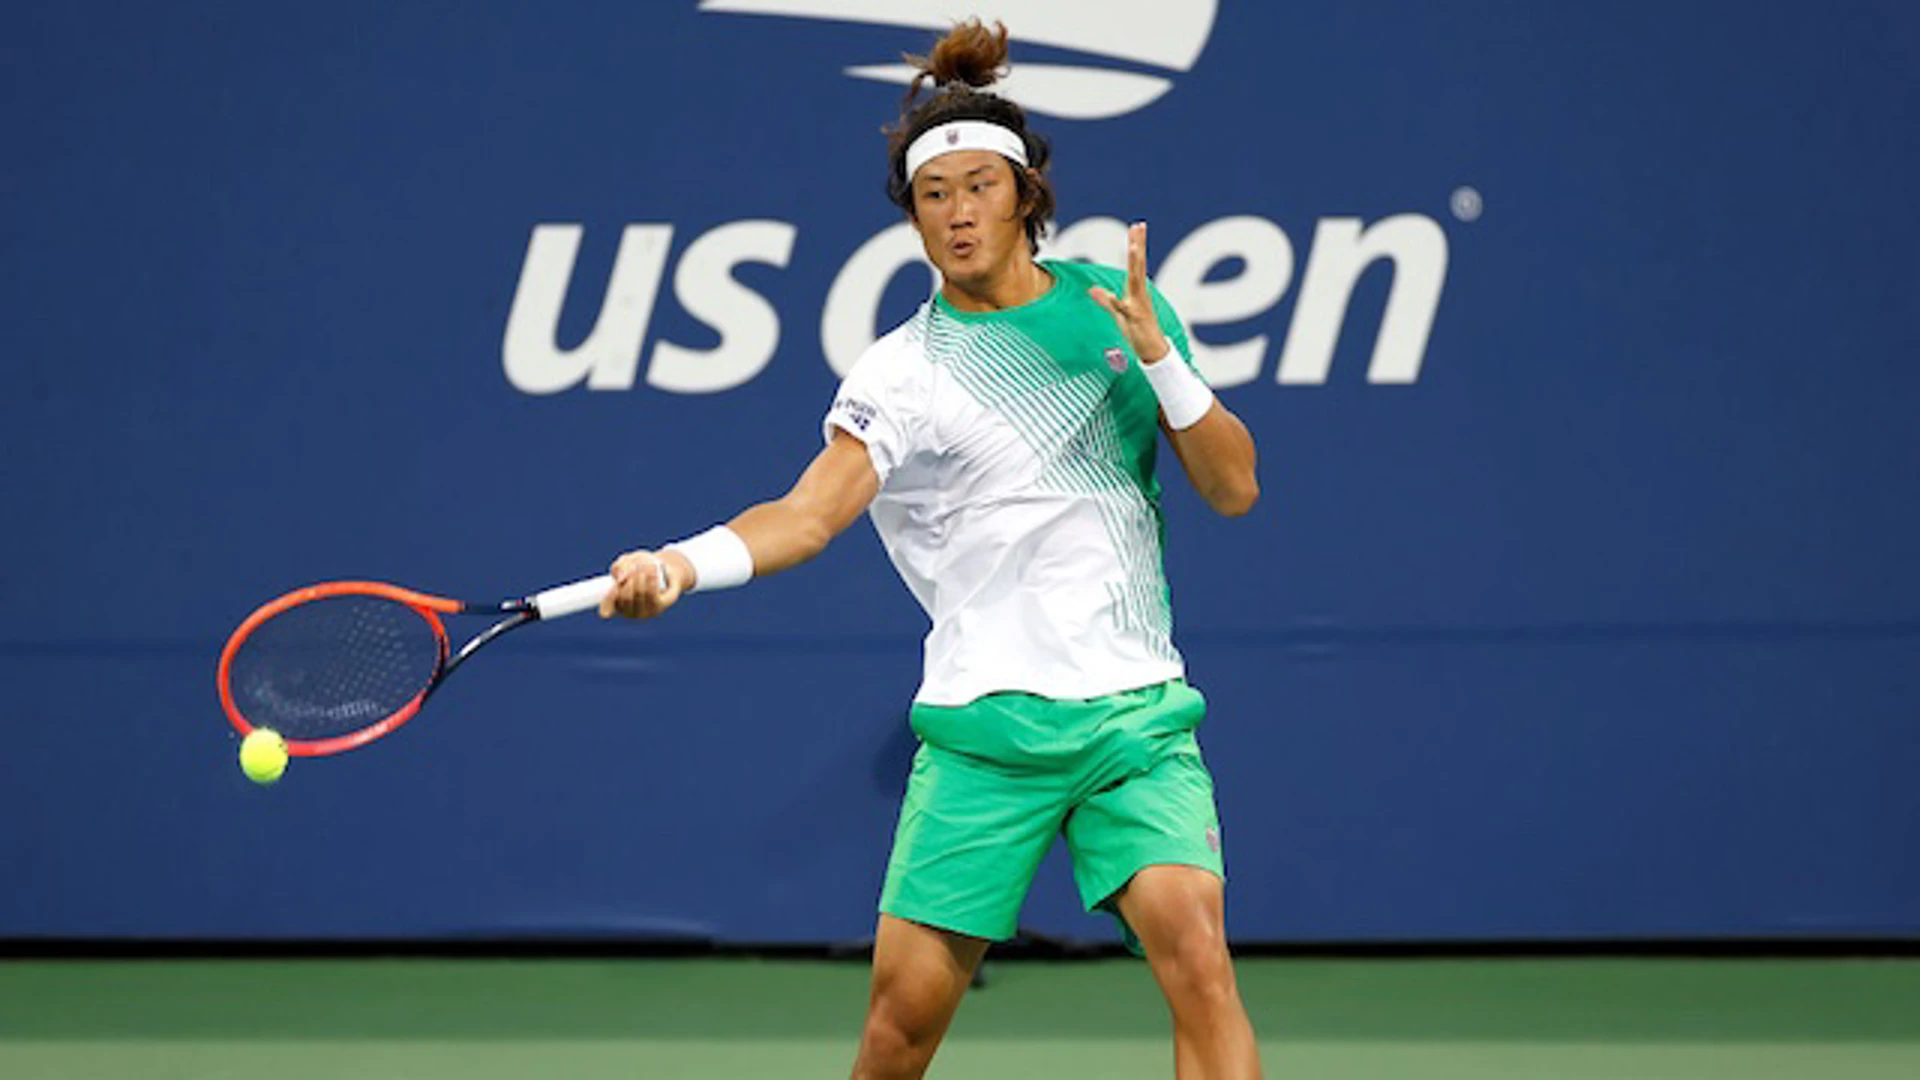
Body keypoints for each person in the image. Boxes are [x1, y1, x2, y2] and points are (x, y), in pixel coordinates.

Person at [599, 19, 1262, 1080]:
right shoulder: (903, 371)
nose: (957, 213)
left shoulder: (1123, 311)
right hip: (981, 733)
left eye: (979, 188)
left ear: (1026, 195)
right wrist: (679, 565)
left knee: (1199, 960)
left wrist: (1160, 362)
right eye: (933, 196)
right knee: (899, 1034)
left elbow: (1233, 489)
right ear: (911, 217)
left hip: (1133, 718)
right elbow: (808, 515)